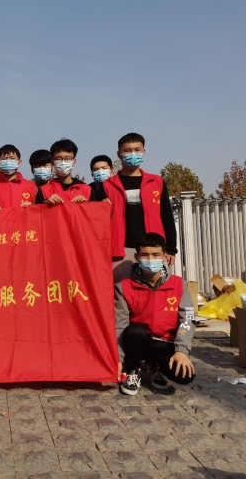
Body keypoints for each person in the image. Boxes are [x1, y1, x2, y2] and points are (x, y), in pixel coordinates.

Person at [115, 233, 195, 396]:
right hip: (138, 341)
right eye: (145, 254)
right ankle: (133, 370)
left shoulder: (179, 285)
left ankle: (157, 367)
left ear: (164, 256)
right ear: (137, 257)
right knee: (134, 331)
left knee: (185, 376)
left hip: (165, 343)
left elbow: (187, 319)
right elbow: (119, 324)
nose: (150, 259)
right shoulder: (123, 287)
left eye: (156, 254)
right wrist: (118, 358)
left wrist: (182, 351)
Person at [103, 133, 177, 282]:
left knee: (155, 290)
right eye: (127, 150)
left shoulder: (156, 182)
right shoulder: (107, 185)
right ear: (119, 154)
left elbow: (166, 216)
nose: (133, 154)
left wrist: (170, 249)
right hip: (121, 251)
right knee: (121, 291)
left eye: (137, 150)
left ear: (144, 152)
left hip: (153, 250)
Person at [0, 144, 37, 212]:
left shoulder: (31, 186)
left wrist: (32, 208)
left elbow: (39, 212)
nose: (8, 161)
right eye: (4, 159)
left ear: (19, 162)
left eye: (12, 158)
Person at [35, 139, 95, 204]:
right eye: (58, 159)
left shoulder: (87, 190)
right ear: (52, 162)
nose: (63, 162)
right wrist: (45, 205)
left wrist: (86, 205)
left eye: (68, 158)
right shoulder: (43, 191)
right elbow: (37, 210)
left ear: (74, 162)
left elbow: (95, 209)